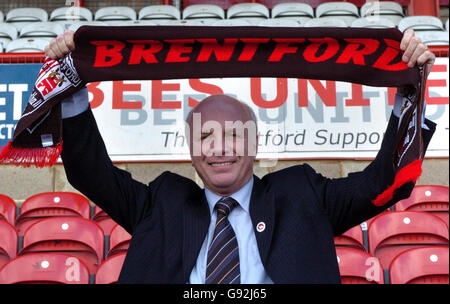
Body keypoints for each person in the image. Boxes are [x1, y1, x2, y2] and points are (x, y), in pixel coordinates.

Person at [46, 28, 436, 283]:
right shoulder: (160, 203)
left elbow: (384, 183)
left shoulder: (303, 195)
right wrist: (72, 86)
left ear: (254, 143)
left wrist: (408, 94)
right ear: (190, 149)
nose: (219, 148)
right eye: (206, 137)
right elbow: (89, 171)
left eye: (233, 135)